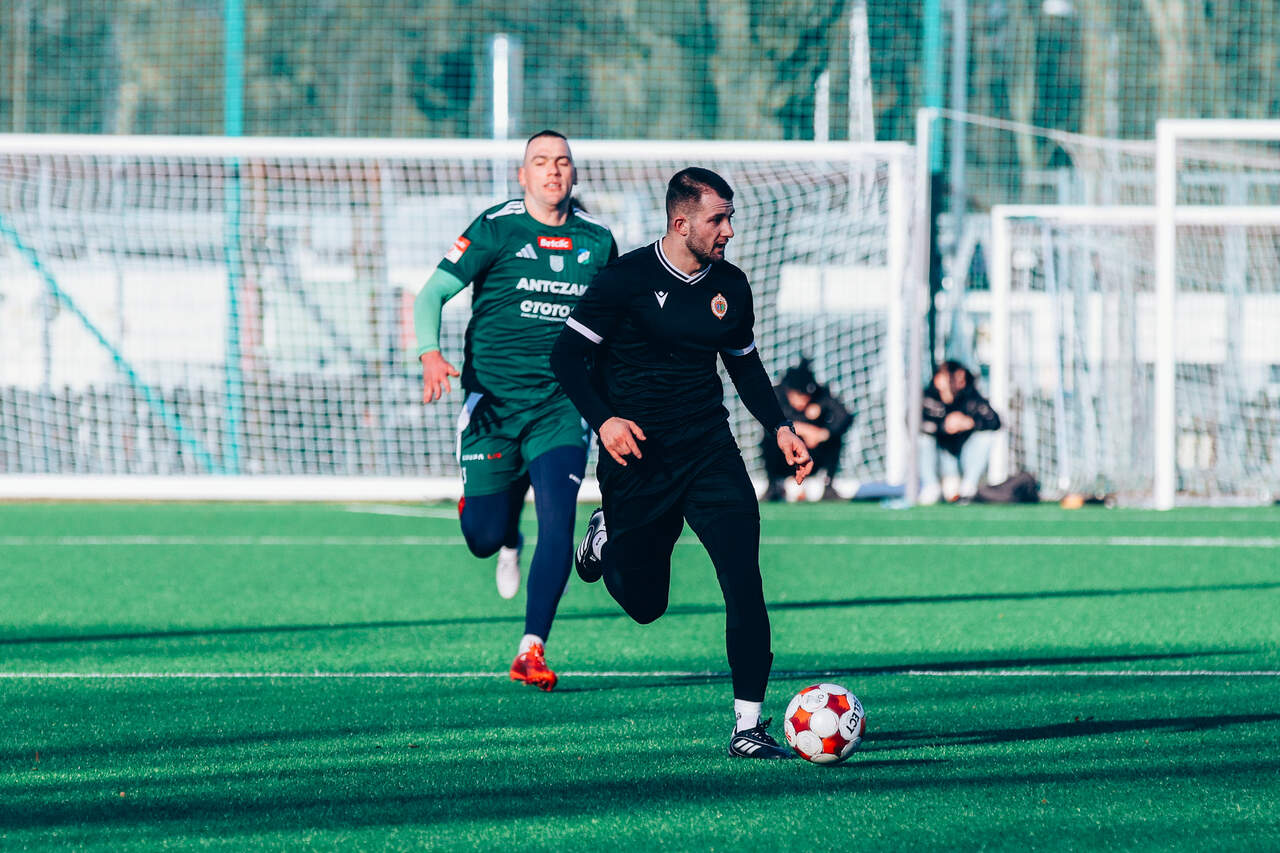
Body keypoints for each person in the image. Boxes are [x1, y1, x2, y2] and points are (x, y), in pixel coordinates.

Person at [550, 167, 814, 759]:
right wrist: (605, 420)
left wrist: (781, 427)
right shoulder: (625, 280)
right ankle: (607, 535)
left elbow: (743, 363)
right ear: (681, 222)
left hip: (709, 450)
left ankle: (748, 727)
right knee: (646, 605)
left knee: (743, 579)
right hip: (638, 457)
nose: (728, 231)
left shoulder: (732, 285)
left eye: (730, 219)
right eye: (718, 220)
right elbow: (566, 356)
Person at [415, 129, 618, 691]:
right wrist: (429, 353)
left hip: (561, 408)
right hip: (494, 407)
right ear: (522, 176)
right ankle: (506, 537)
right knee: (482, 536)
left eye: (563, 162)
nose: (553, 170)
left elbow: (618, 323)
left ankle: (532, 648)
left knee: (559, 522)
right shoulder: (496, 227)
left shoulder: (598, 241)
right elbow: (430, 294)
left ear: (574, 174)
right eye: (541, 162)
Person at [759, 358, 851, 502]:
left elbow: (844, 416)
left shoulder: (820, 396)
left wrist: (823, 434)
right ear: (789, 391)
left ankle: (828, 486)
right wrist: (804, 430)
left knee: (835, 439)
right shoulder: (776, 395)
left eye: (807, 397)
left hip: (812, 457)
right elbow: (768, 422)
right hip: (785, 458)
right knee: (768, 440)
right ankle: (773, 486)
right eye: (799, 396)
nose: (803, 401)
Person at [918, 360, 1001, 504]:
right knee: (922, 439)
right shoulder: (927, 399)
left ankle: (968, 488)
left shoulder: (971, 397)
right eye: (952, 378)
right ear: (938, 380)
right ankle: (931, 486)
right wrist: (943, 426)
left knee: (986, 436)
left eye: (961, 379)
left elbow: (995, 421)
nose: (959, 382)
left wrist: (970, 422)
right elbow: (913, 424)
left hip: (963, 457)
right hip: (940, 458)